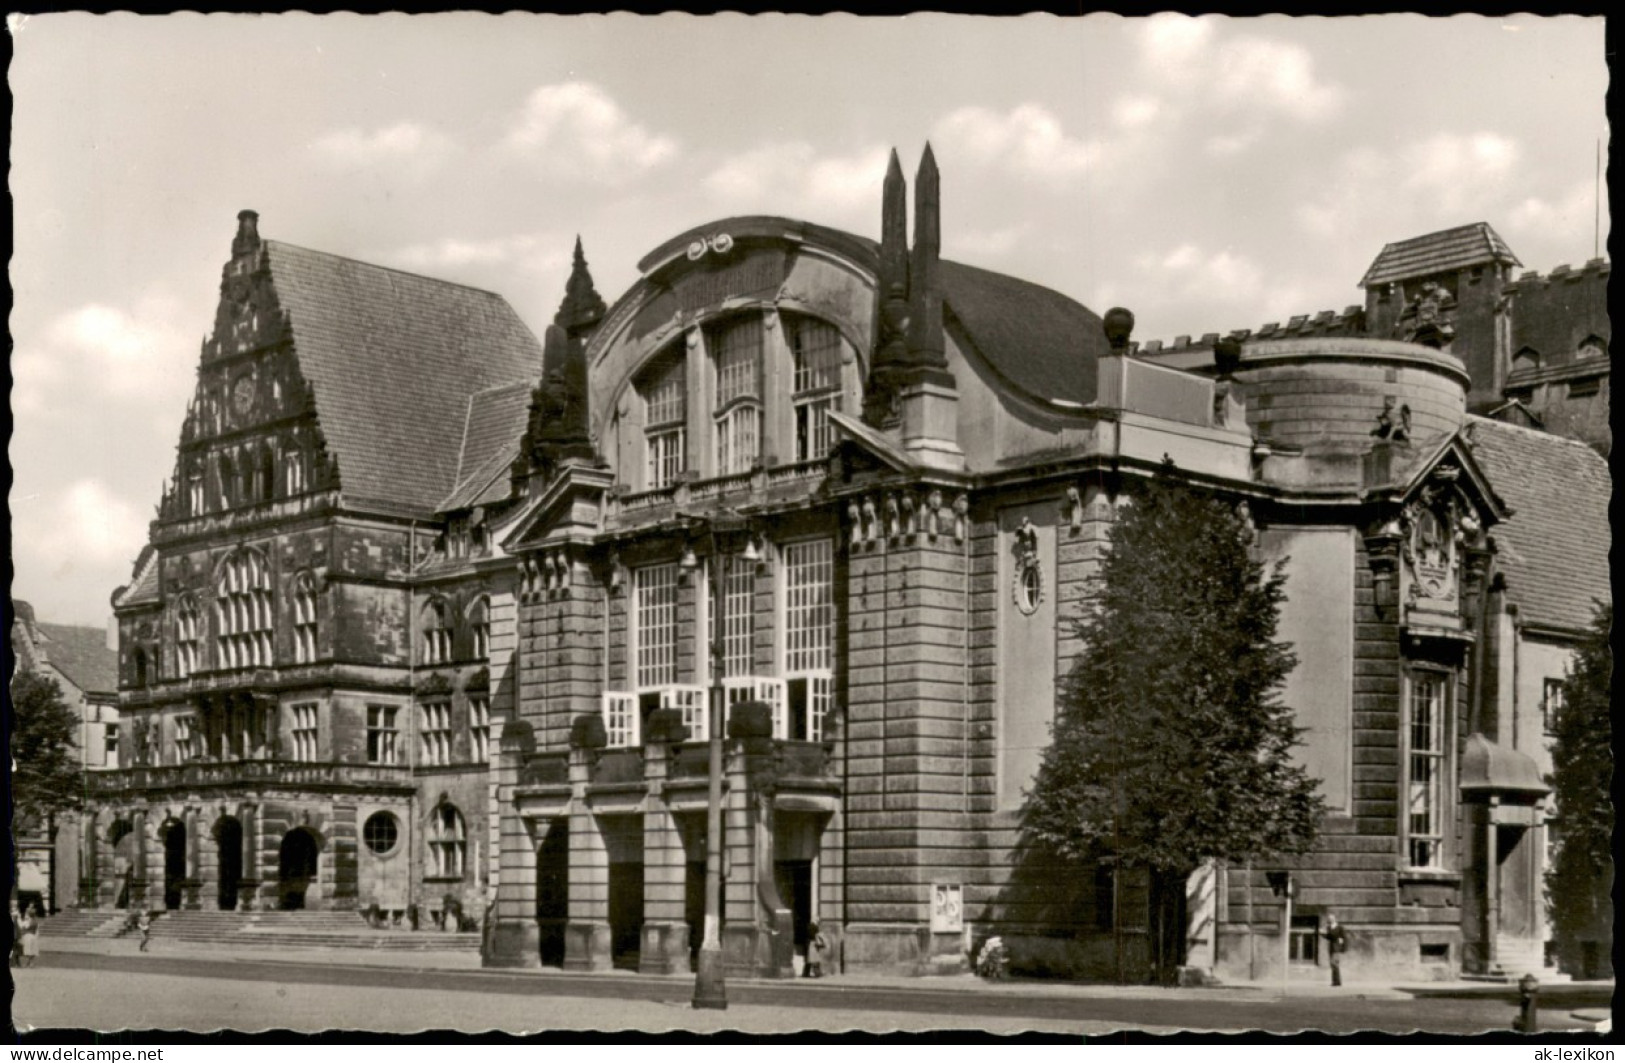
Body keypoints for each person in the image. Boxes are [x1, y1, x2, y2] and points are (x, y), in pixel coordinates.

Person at [1322, 912, 1348, 987]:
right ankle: (1335, 982)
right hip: (1331, 947)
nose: (1330, 919)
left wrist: (1343, 948)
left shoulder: (1339, 927)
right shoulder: (1329, 927)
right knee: (1332, 964)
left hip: (1337, 948)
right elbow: (1329, 937)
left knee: (1334, 963)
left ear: (1335, 919)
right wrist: (1323, 934)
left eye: (1332, 918)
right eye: (1329, 918)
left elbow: (1344, 937)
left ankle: (1337, 981)